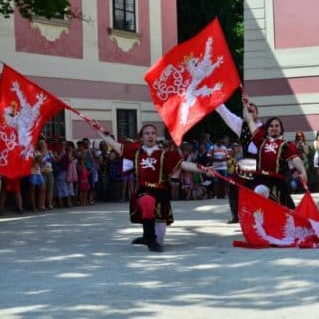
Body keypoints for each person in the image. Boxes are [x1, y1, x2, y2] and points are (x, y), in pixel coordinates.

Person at [95, 124, 213, 252]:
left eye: (153, 133)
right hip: (144, 190)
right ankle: (150, 238)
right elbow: (114, 145)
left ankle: (147, 236)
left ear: (156, 136)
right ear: (141, 137)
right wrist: (98, 129)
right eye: (147, 133)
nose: (150, 136)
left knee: (160, 240)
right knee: (147, 201)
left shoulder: (165, 154)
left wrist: (204, 170)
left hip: (161, 192)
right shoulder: (135, 152)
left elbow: (184, 164)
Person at [243, 107, 307, 209]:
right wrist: (245, 103)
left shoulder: (287, 144)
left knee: (288, 214)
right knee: (260, 192)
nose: (274, 128)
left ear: (281, 129)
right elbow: (249, 120)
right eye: (271, 126)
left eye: (277, 126)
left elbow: (296, 160)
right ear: (267, 129)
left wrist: (303, 172)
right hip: (261, 179)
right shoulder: (261, 140)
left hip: (278, 182)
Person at [216, 94, 263, 222]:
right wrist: (215, 99)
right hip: (247, 162)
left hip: (261, 163)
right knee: (233, 185)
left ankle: (260, 214)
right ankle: (235, 215)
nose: (249, 113)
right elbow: (225, 113)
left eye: (252, 111)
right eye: (247, 111)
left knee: (260, 189)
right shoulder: (240, 125)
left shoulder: (264, 128)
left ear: (257, 113)